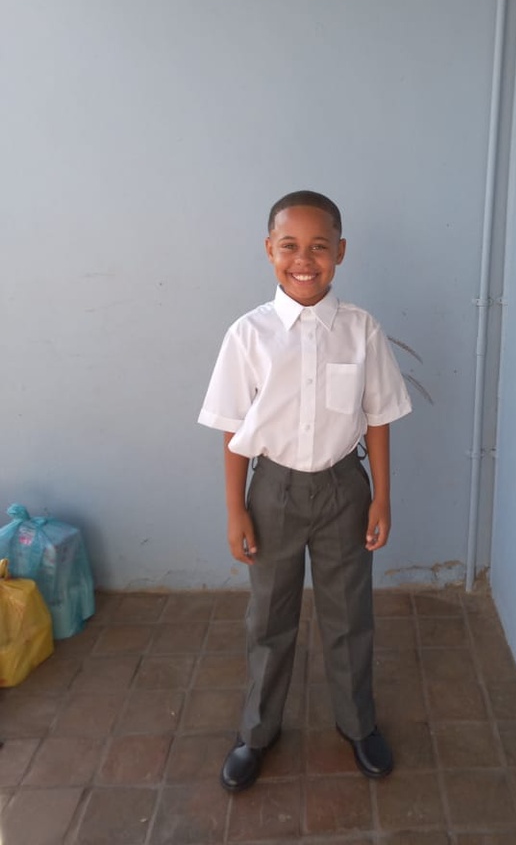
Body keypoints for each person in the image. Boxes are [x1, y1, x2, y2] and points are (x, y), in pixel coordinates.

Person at [198, 190, 412, 793]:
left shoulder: (361, 330)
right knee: (269, 618)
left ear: (340, 252)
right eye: (289, 246)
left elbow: (379, 418)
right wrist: (236, 510)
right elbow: (233, 430)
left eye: (319, 247)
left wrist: (382, 496)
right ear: (269, 250)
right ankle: (256, 731)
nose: (304, 259)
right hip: (274, 492)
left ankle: (358, 724)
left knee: (349, 615)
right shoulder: (249, 335)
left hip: (345, 489)